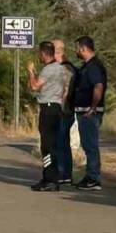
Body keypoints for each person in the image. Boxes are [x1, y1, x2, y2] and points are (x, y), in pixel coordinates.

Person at [26, 41, 67, 191]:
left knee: (47, 145)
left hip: (48, 108)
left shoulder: (48, 69)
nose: (39, 56)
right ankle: (52, 177)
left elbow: (34, 86)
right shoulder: (61, 68)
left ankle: (50, 179)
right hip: (56, 107)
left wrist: (31, 72)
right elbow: (64, 89)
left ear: (43, 53)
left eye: (39, 54)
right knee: (53, 144)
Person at [70, 36, 107, 191]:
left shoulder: (93, 67)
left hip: (90, 113)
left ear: (84, 48)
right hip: (84, 111)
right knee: (87, 145)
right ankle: (90, 176)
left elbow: (98, 86)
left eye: (77, 48)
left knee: (91, 146)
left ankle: (93, 178)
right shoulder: (87, 66)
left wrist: (93, 107)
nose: (76, 51)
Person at [53, 39, 76, 185]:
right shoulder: (64, 67)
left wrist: (58, 109)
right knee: (63, 143)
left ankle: (63, 173)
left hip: (64, 111)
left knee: (61, 143)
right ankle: (64, 173)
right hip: (65, 110)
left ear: (57, 51)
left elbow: (65, 92)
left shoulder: (66, 69)